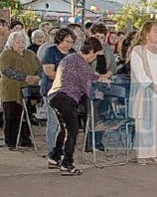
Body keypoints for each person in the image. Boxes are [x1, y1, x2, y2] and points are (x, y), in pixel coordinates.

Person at [47, 37, 110, 175]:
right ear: (91, 51)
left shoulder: (71, 58)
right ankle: (67, 163)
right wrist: (98, 94)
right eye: (95, 55)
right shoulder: (81, 63)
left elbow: (88, 76)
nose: (94, 59)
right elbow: (87, 85)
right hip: (66, 97)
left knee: (64, 128)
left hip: (55, 96)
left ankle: (54, 156)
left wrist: (99, 78)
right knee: (73, 129)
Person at [129, 21, 157, 165]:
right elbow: (139, 73)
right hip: (146, 93)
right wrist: (153, 86)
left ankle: (155, 152)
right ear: (146, 34)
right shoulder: (137, 51)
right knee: (145, 123)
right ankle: (143, 154)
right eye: (155, 31)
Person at [0, 31, 42, 149]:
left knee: (27, 115)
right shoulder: (6, 54)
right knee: (12, 115)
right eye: (18, 42)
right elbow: (6, 70)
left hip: (29, 89)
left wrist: (37, 77)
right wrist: (24, 77)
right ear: (12, 42)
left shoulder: (30, 54)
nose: (21, 44)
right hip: (11, 89)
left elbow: (40, 67)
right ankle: (11, 141)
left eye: (23, 42)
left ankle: (24, 138)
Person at [40, 28, 77, 156]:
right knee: (54, 122)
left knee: (65, 124)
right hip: (52, 91)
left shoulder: (73, 53)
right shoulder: (50, 52)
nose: (69, 44)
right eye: (67, 41)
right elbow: (49, 73)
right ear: (60, 40)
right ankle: (52, 150)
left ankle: (62, 149)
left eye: (71, 42)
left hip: (68, 93)